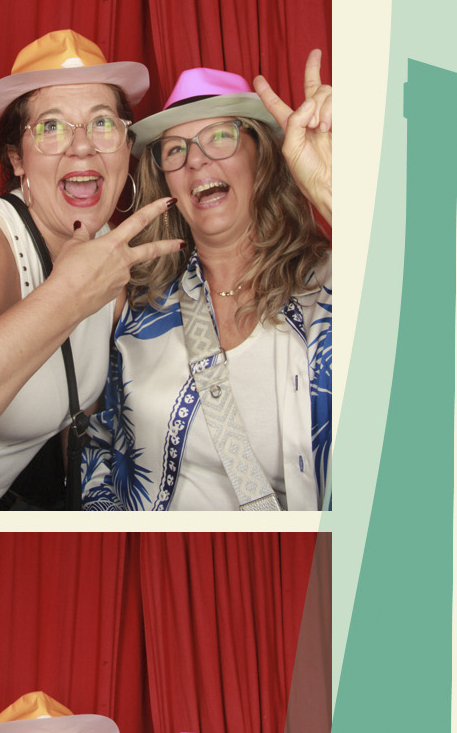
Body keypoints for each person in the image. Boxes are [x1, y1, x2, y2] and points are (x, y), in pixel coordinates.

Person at [0, 29, 181, 509]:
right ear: (16, 159)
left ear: (126, 145)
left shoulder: (108, 248)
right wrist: (66, 299)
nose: (82, 147)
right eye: (51, 127)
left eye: (102, 122)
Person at [83, 52, 332, 511]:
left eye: (220, 136)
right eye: (175, 150)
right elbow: (98, 444)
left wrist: (334, 191)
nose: (196, 160)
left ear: (262, 156)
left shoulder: (334, 288)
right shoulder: (136, 306)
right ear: (166, 182)